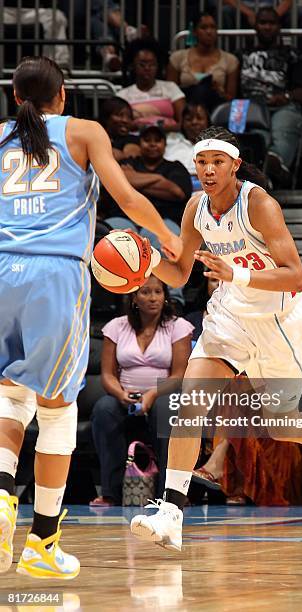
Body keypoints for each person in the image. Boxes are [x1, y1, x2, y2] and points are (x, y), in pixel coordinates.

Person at [129, 125, 302, 552]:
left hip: (280, 320)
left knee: (280, 426)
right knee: (190, 403)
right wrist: (148, 260)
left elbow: (296, 276)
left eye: (217, 162)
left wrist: (237, 273)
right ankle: (171, 514)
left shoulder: (259, 204)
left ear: (235, 165)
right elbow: (179, 274)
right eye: (201, 162)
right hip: (230, 315)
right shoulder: (195, 206)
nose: (209, 170)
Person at [0, 56, 181, 579]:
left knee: (10, 398)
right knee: (56, 412)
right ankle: (42, 542)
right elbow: (124, 195)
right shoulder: (82, 131)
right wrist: (166, 241)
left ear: (15, 98)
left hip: (3, 272)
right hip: (54, 274)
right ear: (63, 97)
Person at [90, 276, 193, 506]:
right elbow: (107, 374)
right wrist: (121, 394)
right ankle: (110, 493)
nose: (153, 298)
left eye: (158, 292)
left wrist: (152, 394)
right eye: (146, 292)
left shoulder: (178, 327)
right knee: (104, 408)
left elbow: (179, 376)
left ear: (166, 296)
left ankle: (169, 494)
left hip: (164, 393)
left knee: (165, 408)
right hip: (125, 395)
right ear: (134, 297)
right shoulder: (116, 327)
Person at [239, 7, 302, 187]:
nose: (267, 27)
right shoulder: (241, 55)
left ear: (279, 27)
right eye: (263, 23)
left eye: (272, 23)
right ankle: (265, 175)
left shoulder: (293, 54)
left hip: (283, 105)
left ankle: (274, 164)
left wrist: (284, 96)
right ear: (255, 26)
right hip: (251, 108)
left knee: (283, 129)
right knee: (258, 137)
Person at [120, 124, 192, 226]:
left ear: (165, 145)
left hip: (165, 219)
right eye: (147, 140)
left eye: (157, 140)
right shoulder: (128, 162)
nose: (152, 144)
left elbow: (177, 193)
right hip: (125, 217)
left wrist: (133, 183)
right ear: (139, 143)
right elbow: (118, 181)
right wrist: (159, 179)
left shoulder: (175, 167)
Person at [167, 12, 239, 112]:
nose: (209, 32)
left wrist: (220, 91)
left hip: (216, 109)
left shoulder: (230, 60)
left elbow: (232, 100)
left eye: (213, 27)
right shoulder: (177, 57)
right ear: (195, 32)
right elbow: (170, 92)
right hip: (185, 108)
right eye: (204, 28)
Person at [118, 39, 185, 132]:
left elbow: (184, 123)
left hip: (172, 139)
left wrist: (160, 129)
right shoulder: (122, 95)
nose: (147, 68)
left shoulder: (171, 88)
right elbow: (121, 126)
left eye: (152, 64)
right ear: (132, 66)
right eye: (142, 64)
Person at [165, 103, 211, 192]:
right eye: (189, 119)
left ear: (207, 122)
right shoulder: (170, 140)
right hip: (171, 192)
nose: (194, 122)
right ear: (182, 123)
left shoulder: (218, 143)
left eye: (199, 118)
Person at [99, 96, 140, 161]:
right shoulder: (96, 137)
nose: (125, 120)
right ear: (106, 118)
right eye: (119, 115)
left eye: (129, 117)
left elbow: (132, 154)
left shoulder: (134, 140)